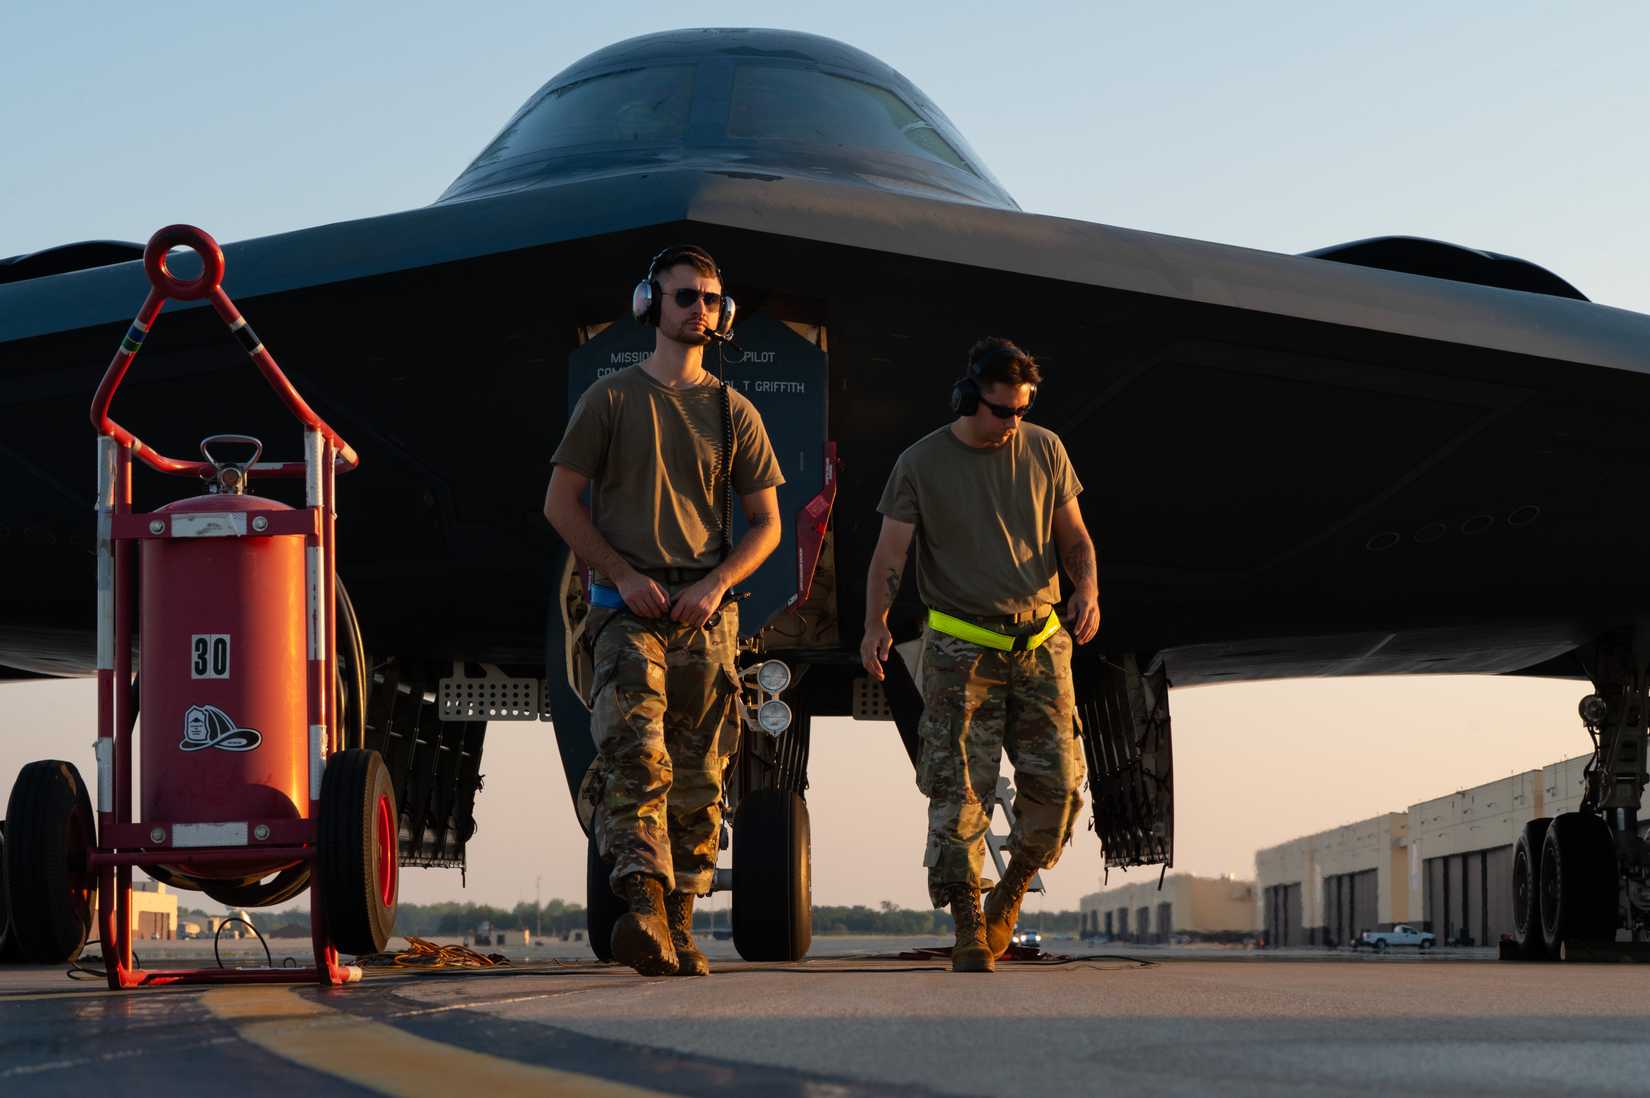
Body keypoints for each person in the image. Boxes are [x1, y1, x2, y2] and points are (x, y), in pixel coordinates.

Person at [544, 245, 784, 976]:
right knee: (634, 757)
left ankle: (680, 919)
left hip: (704, 614)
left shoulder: (733, 411)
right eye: (686, 297)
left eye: (712, 299)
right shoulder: (611, 399)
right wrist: (619, 572)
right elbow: (561, 504)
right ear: (651, 303)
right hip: (626, 609)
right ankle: (643, 907)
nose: (700, 311)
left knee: (702, 773)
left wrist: (715, 585)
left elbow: (768, 524)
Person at [861, 337, 1099, 973]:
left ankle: (1010, 893)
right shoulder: (920, 464)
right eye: (1001, 411)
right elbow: (890, 554)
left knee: (1060, 786)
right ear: (969, 397)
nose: (1012, 423)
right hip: (960, 648)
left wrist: (1087, 589)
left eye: (1022, 410)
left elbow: (1073, 534)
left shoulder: (1045, 448)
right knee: (957, 790)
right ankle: (969, 923)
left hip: (1041, 641)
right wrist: (875, 623)